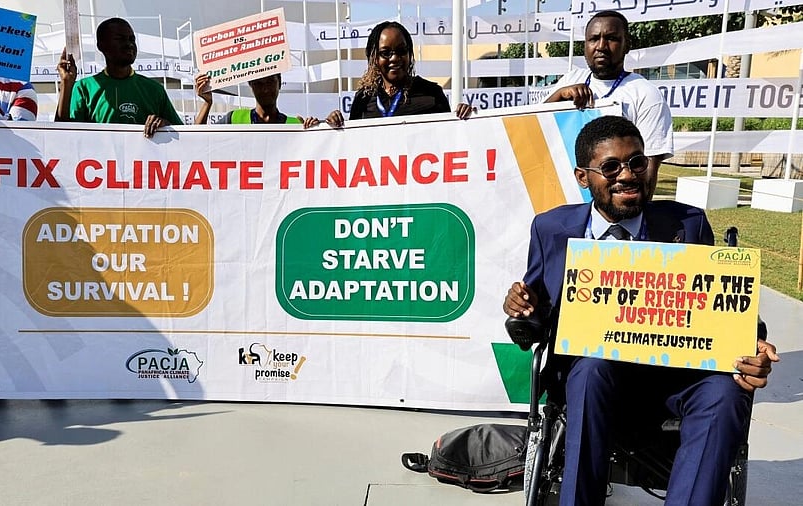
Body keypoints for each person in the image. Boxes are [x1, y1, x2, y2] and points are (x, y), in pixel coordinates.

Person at [503, 115, 778, 505]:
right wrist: (521, 306)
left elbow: (725, 305)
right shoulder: (551, 229)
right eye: (611, 166)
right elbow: (536, 306)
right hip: (594, 378)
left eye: (637, 162)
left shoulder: (688, 224)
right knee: (591, 369)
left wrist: (754, 342)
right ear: (584, 177)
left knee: (725, 390)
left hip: (673, 376)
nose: (628, 175)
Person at [543, 10, 672, 175]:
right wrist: (559, 95)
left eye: (611, 38)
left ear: (627, 45)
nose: (601, 46)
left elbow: (648, 169)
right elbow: (533, 129)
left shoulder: (646, 94)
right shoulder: (570, 80)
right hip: (562, 188)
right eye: (594, 39)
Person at [325, 21, 473, 127]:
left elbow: (450, 141)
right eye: (386, 53)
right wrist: (326, 127)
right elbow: (351, 147)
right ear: (374, 58)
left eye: (401, 51)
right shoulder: (363, 99)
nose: (395, 58)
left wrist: (469, 119)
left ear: (410, 54)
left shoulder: (432, 93)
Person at [55, 17, 183, 138]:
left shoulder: (154, 90)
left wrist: (165, 125)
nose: (129, 44)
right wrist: (66, 83)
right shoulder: (84, 88)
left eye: (132, 39)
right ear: (101, 45)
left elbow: (185, 137)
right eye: (120, 39)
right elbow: (63, 137)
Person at [194, 73, 318, 128]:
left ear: (279, 83)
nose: (265, 89)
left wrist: (318, 129)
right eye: (258, 83)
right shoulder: (233, 119)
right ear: (251, 85)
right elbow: (197, 141)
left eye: (270, 82)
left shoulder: (296, 125)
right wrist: (207, 103)